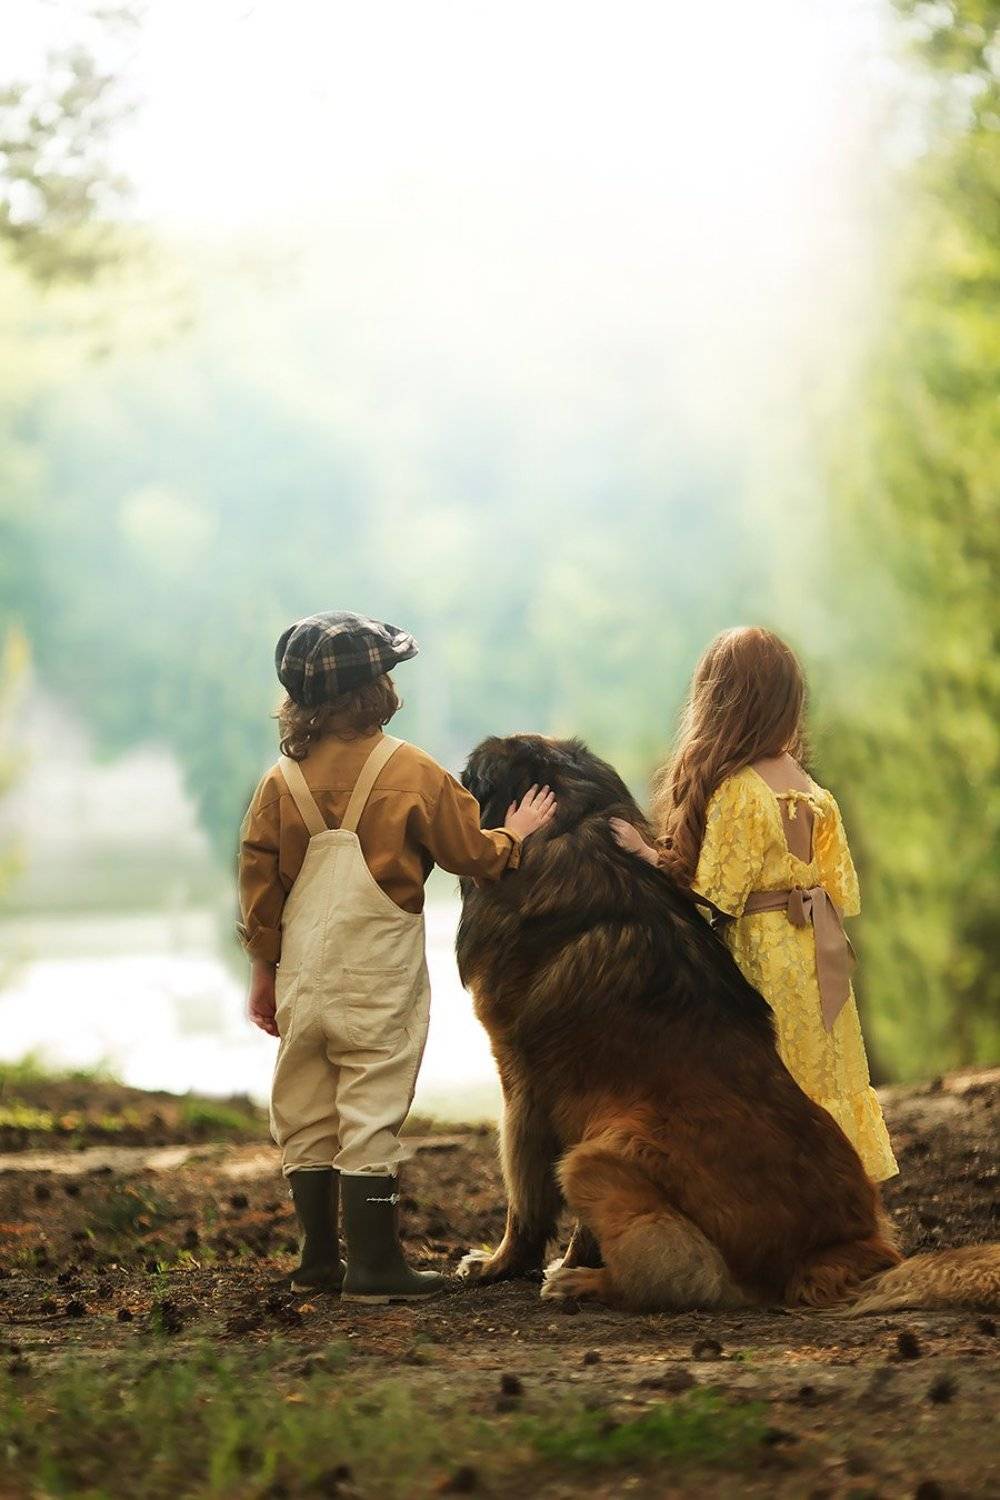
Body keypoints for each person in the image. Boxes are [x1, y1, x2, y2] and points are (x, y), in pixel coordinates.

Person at [238, 611, 556, 1301]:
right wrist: (515, 833)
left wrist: (263, 974)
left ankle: (319, 1258)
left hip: (301, 975)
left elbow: (260, 888)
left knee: (307, 1107)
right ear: (375, 690)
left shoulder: (277, 783)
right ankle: (376, 1265)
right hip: (377, 973)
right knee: (370, 1106)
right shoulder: (410, 770)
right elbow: (470, 854)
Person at [612, 626, 897, 1183]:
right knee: (822, 1066)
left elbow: (715, 892)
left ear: (720, 703)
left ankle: (776, 1190)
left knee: (771, 1072)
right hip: (819, 951)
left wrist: (645, 853)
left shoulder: (739, 791)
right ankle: (837, 1184)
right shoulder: (815, 792)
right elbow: (841, 890)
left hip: (763, 956)